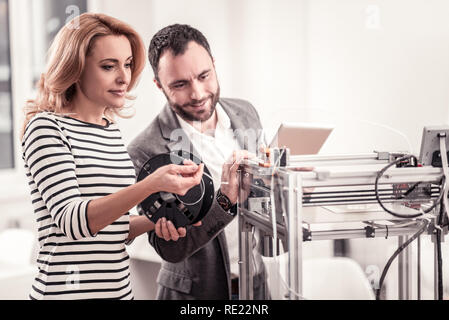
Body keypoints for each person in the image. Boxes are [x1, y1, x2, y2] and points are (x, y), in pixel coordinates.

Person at [21, 13, 204, 300]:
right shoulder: (46, 128)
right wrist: (152, 184)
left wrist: (163, 218)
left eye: (128, 65)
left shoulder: (109, 131)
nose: (124, 77)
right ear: (76, 68)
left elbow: (112, 227)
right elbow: (74, 222)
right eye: (109, 66)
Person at [127, 24, 267, 300]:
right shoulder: (145, 150)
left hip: (257, 287)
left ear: (214, 65)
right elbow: (172, 250)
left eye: (204, 75)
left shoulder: (245, 111)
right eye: (180, 84)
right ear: (159, 86)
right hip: (195, 296)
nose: (198, 93)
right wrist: (225, 198)